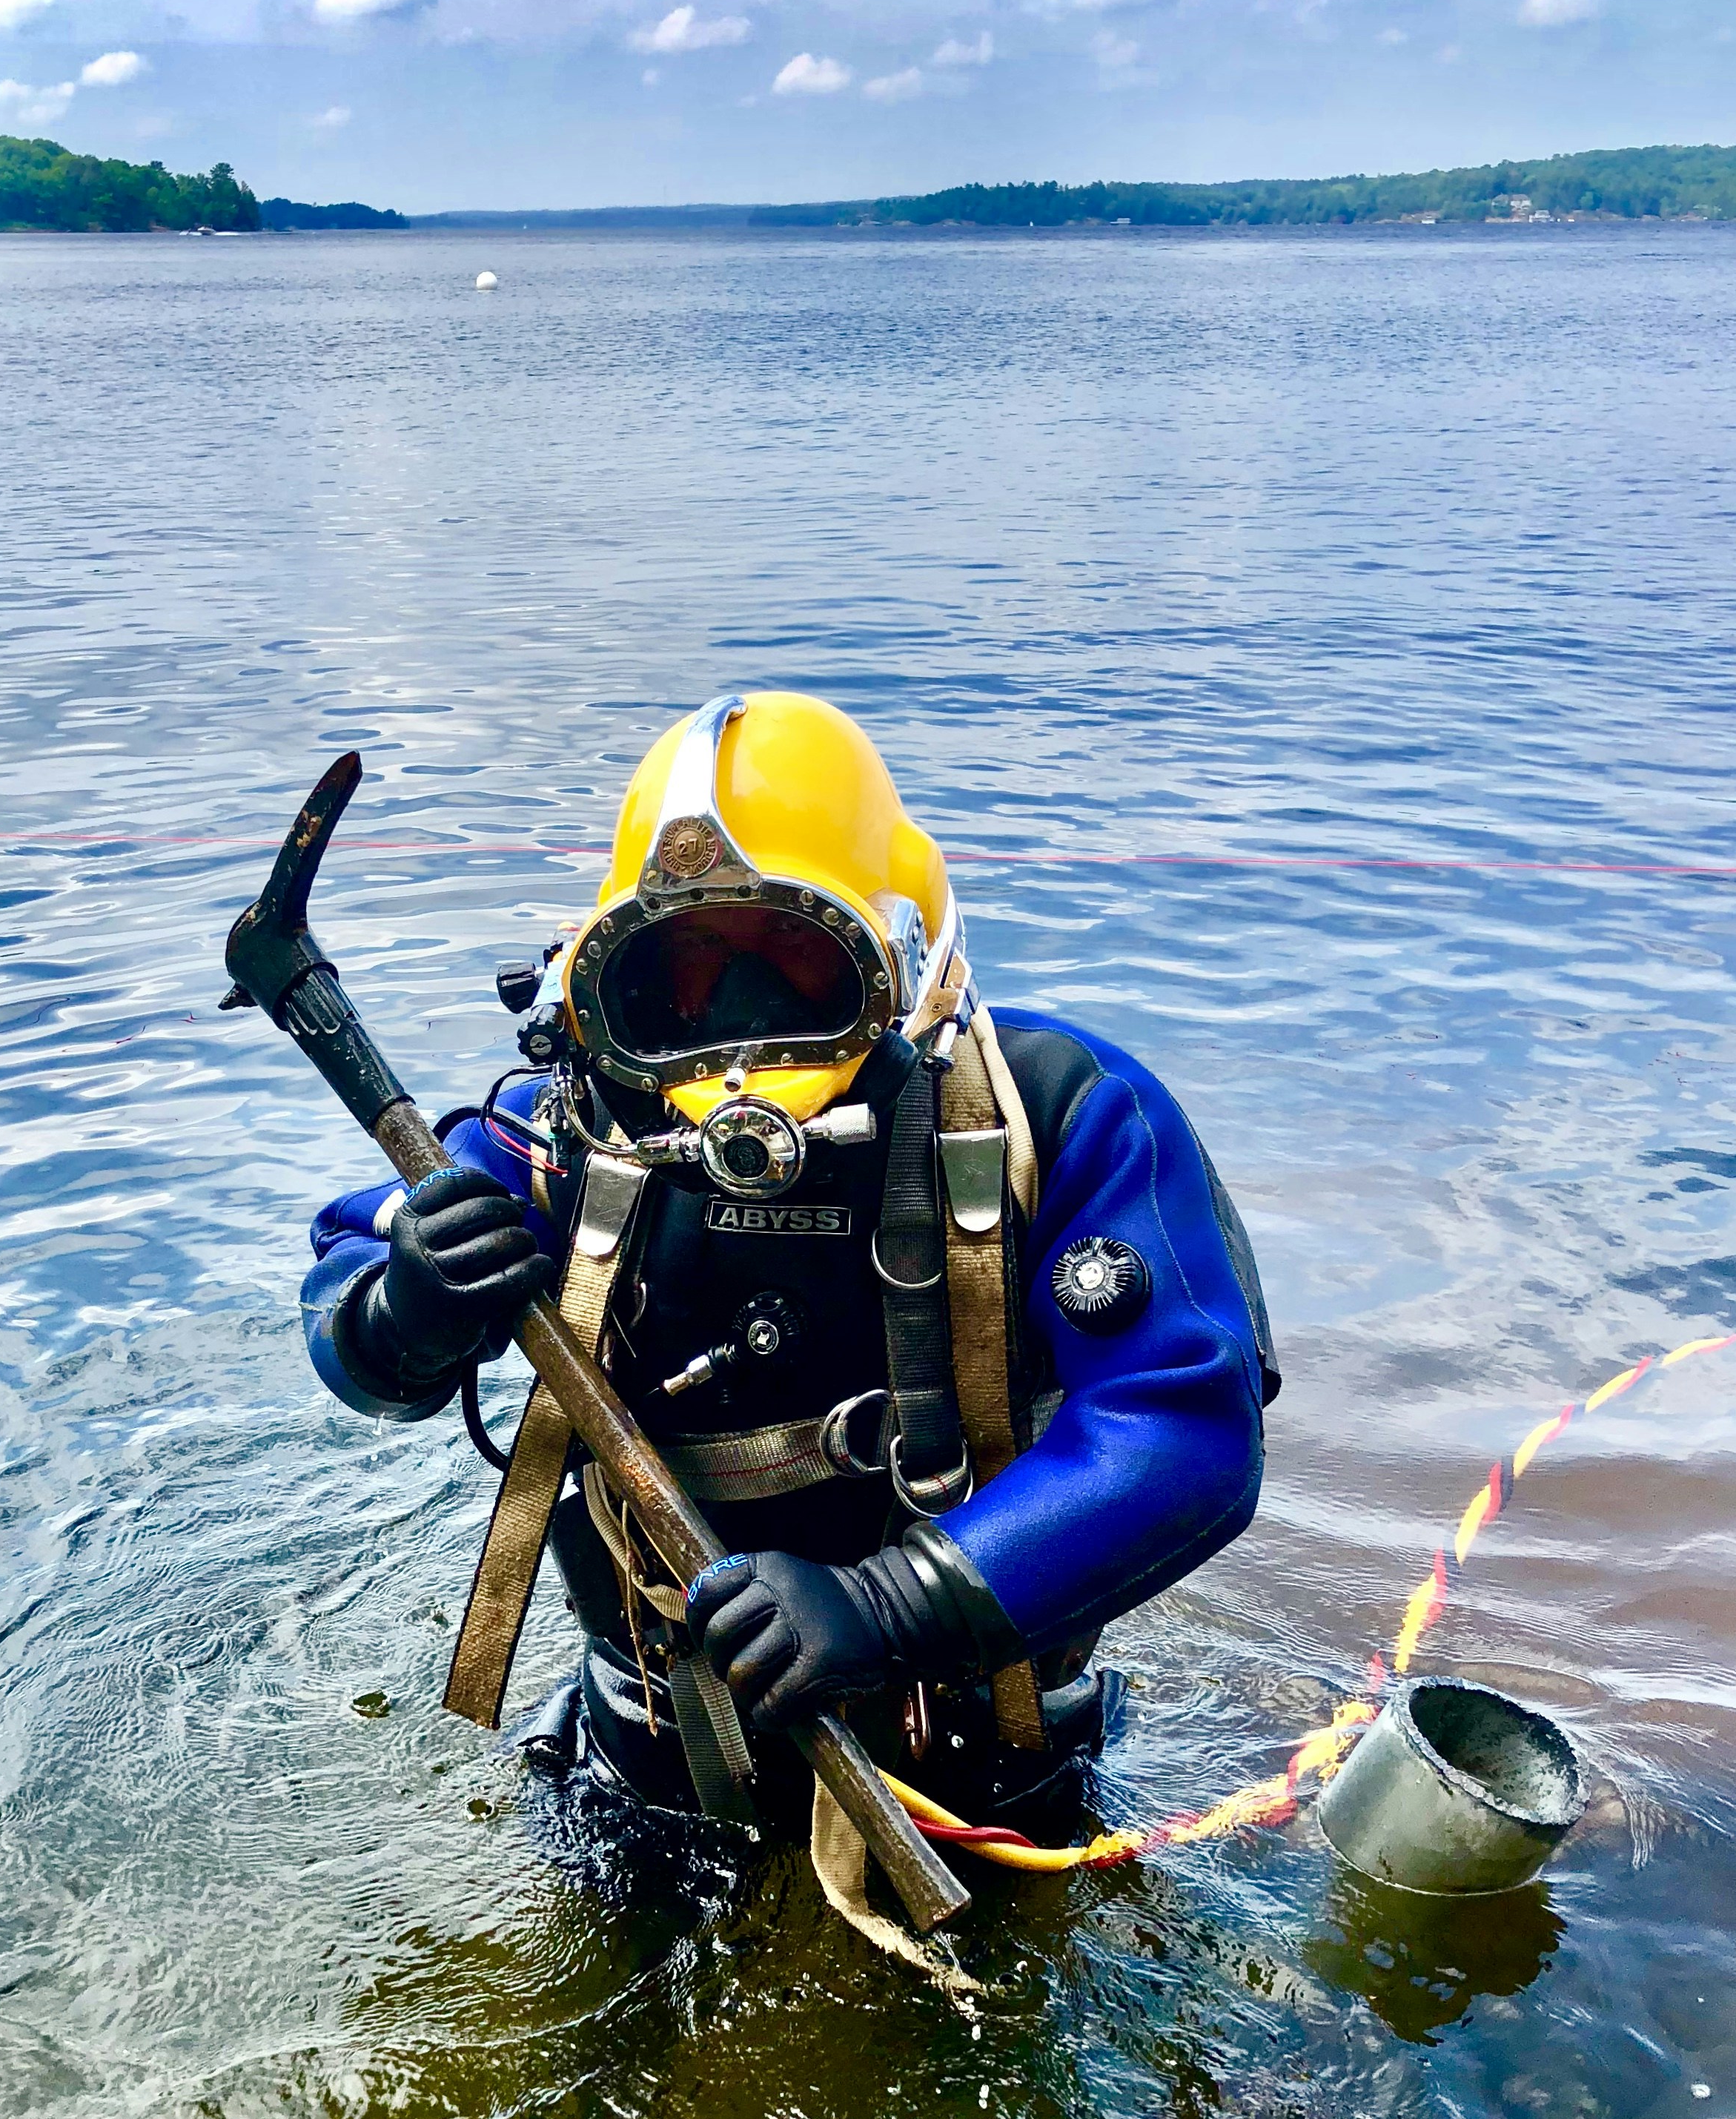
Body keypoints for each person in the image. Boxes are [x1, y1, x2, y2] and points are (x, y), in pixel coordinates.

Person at [302, 692, 1277, 1854]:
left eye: (786, 969)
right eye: (680, 986)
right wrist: (403, 1307)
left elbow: (1185, 1429)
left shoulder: (1058, 1116)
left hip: (976, 1759)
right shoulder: (564, 1129)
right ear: (600, 987)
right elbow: (354, 1314)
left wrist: (895, 1605)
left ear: (896, 949)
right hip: (651, 1741)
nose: (735, 1042)